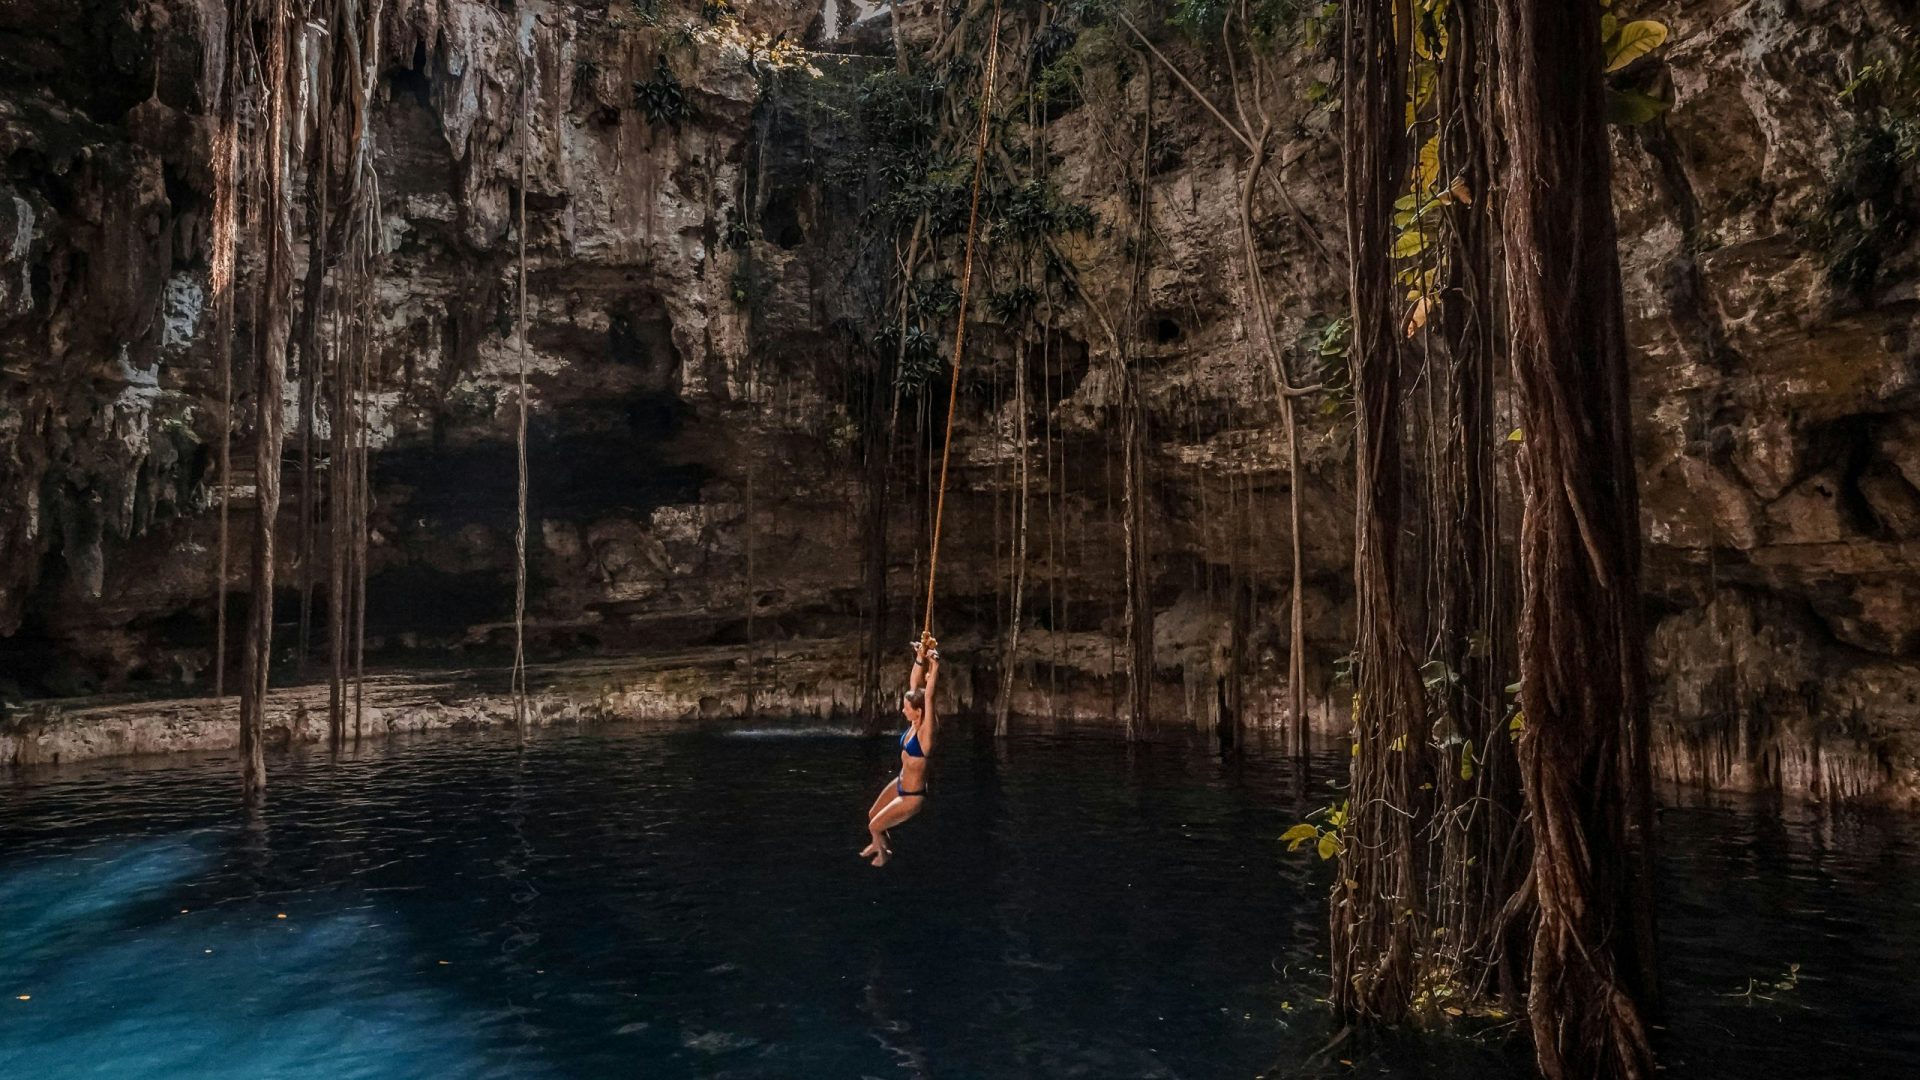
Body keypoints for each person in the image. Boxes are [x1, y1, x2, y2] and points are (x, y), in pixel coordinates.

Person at [860, 634, 940, 867]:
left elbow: (930, 696)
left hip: (912, 797)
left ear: (918, 711)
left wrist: (935, 665)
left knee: (874, 825)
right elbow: (915, 685)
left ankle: (883, 854)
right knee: (871, 815)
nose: (903, 711)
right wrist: (919, 657)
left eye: (906, 708)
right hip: (900, 784)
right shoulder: (914, 724)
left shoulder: (926, 732)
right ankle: (879, 844)